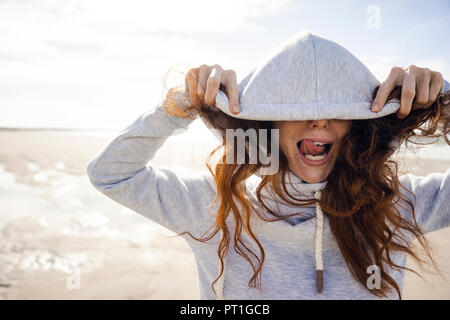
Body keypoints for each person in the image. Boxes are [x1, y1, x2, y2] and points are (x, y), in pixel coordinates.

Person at [87, 30, 450, 299]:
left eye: (336, 110)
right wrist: (179, 106)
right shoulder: (213, 206)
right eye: (298, 110)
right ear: (269, 123)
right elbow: (111, 174)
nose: (319, 122)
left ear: (357, 125)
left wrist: (445, 100)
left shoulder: (397, 204)